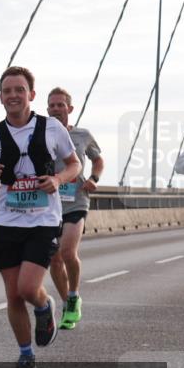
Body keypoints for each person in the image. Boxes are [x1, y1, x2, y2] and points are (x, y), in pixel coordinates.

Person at [0, 66, 80, 368]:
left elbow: (74, 165)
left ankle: (44, 307)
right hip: (5, 222)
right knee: (13, 296)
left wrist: (57, 178)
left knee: (28, 288)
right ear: (1, 97)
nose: (13, 95)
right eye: (7, 91)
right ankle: (26, 356)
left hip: (42, 221)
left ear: (31, 94)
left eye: (19, 89)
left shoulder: (52, 128)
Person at [45, 88, 104, 329]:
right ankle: (69, 303)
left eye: (61, 105)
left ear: (70, 109)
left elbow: (98, 159)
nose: (56, 109)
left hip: (77, 201)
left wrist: (94, 178)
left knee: (68, 252)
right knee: (54, 260)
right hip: (49, 204)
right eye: (52, 105)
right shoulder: (42, 135)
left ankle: (73, 294)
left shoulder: (83, 135)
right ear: (47, 110)